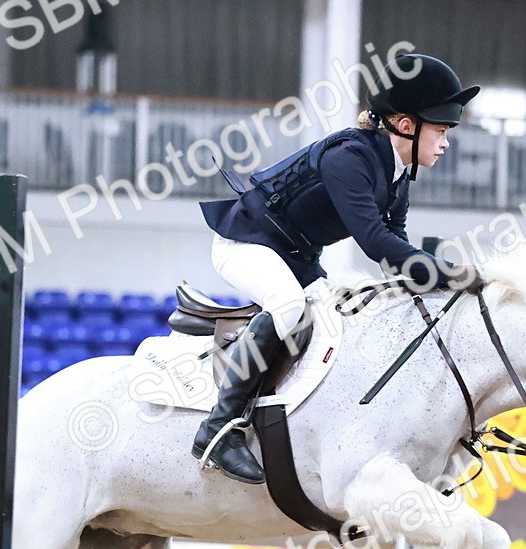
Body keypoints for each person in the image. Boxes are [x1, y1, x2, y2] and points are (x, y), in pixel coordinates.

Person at [194, 53, 480, 483]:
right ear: (405, 125)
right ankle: (217, 430)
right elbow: (375, 244)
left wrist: (436, 282)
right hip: (245, 242)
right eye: (440, 131)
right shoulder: (350, 158)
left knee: (338, 319)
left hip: (296, 257)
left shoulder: (399, 173)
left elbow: (395, 244)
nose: (445, 143)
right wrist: (449, 274)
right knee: (288, 306)